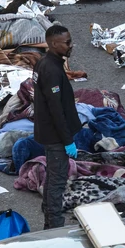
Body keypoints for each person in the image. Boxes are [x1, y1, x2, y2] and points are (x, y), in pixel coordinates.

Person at [33, 24, 82, 229]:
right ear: (54, 44)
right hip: (55, 136)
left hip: (49, 132)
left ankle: (49, 220)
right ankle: (54, 228)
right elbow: (56, 109)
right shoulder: (52, 70)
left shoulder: (44, 63)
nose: (71, 45)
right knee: (57, 182)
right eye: (67, 42)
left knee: (52, 178)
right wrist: (67, 140)